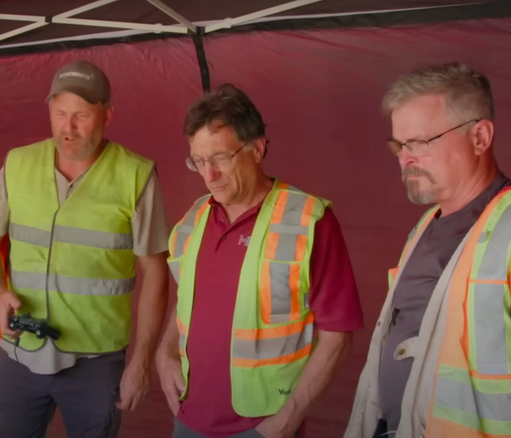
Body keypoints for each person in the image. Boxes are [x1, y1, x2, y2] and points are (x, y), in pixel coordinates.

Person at [0, 60, 170, 438]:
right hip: (21, 353)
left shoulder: (136, 175)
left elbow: (156, 272)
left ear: (108, 115)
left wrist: (141, 361)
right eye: (60, 113)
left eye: (81, 115)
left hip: (96, 363)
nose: (69, 126)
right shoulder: (18, 164)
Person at [156, 83, 364, 438]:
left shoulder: (309, 220)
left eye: (220, 158)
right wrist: (163, 352)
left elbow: (338, 333)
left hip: (263, 425)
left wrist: (288, 418)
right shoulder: (192, 220)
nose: (209, 175)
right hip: (189, 417)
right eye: (199, 161)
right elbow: (186, 302)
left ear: (257, 148)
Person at [345, 62, 511, 438]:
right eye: (399, 144)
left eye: (420, 143)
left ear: (479, 137)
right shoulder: (426, 225)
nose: (405, 158)